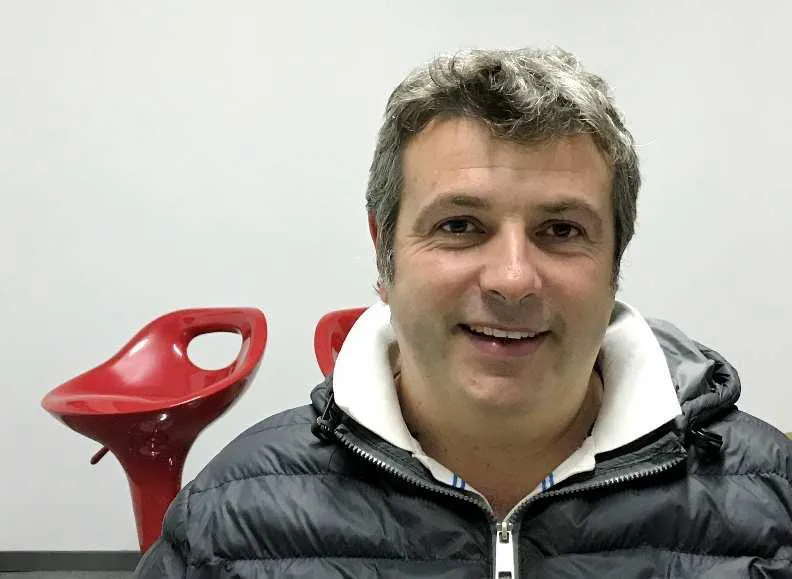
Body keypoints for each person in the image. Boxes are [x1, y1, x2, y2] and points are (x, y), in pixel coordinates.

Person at [135, 47, 792, 578]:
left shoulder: (773, 508)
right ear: (384, 250)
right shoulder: (228, 523)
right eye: (459, 225)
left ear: (615, 259)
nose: (512, 279)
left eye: (561, 230)